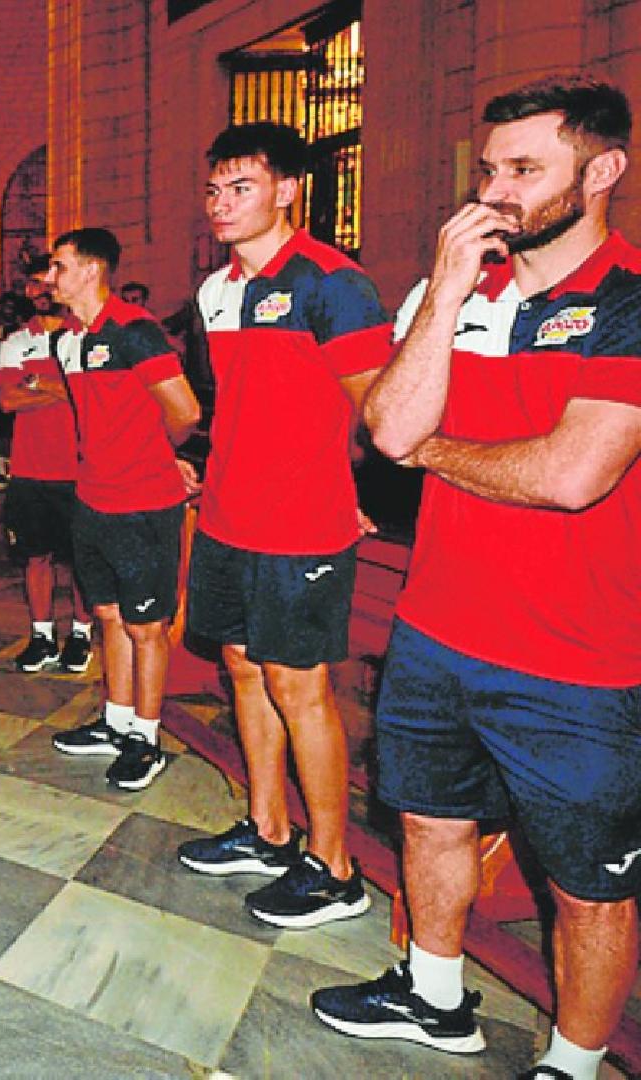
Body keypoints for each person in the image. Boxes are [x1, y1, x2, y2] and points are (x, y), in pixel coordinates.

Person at [312, 76, 641, 1080]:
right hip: (439, 626)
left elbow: (572, 475)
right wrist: (448, 292)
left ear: (603, 171)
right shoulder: (462, 292)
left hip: (575, 654)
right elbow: (386, 427)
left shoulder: (628, 303)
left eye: (525, 169)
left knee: (588, 885)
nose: (495, 191)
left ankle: (575, 1062)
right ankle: (434, 992)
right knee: (431, 819)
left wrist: (439, 453)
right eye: (490, 167)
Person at [172, 121, 388, 931]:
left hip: (303, 521)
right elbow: (241, 402)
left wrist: (349, 487)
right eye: (215, 190)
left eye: (242, 188)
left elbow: (381, 412)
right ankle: (268, 828)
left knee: (300, 687)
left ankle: (334, 868)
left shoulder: (334, 284)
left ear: (289, 189)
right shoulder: (214, 289)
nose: (221, 204)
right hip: (230, 512)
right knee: (241, 665)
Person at [42, 228, 200, 791]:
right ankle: (116, 720)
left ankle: (145, 737)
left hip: (143, 503)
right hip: (93, 499)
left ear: (90, 271)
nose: (48, 277)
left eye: (58, 266)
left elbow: (183, 410)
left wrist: (161, 457)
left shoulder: (136, 331)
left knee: (146, 625)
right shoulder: (67, 341)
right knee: (108, 616)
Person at [0, 256, 92, 675]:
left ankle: (82, 634)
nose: (40, 291)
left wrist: (36, 383)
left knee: (83, 561)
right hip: (31, 470)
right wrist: (64, 389)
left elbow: (95, 399)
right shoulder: (16, 342)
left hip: (82, 469)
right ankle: (42, 634)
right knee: (35, 556)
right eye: (33, 284)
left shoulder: (87, 338)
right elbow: (7, 400)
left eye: (47, 282)